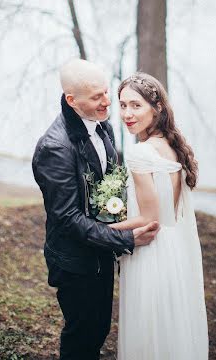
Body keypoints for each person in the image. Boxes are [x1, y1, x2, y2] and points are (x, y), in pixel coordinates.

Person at [32, 59, 159, 360]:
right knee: (82, 336)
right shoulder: (55, 148)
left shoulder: (104, 127)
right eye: (96, 97)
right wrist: (126, 240)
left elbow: (106, 189)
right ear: (72, 100)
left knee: (99, 329)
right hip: (75, 262)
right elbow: (68, 220)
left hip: (99, 253)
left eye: (106, 92)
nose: (107, 102)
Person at [110, 72, 209, 360]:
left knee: (148, 330)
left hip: (150, 251)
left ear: (157, 108)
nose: (127, 113)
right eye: (123, 105)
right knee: (170, 326)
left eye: (136, 105)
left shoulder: (141, 153)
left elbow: (148, 217)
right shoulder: (171, 145)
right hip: (174, 248)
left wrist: (102, 229)